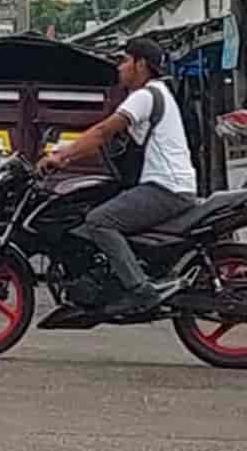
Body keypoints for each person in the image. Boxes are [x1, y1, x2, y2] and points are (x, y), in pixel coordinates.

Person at [37, 37, 196, 315]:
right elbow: (102, 140)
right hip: (166, 186)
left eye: (124, 61)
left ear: (141, 64)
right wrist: (66, 151)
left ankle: (139, 290)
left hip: (165, 188)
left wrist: (61, 157)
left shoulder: (146, 95)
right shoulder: (155, 94)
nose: (119, 68)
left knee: (99, 221)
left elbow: (101, 132)